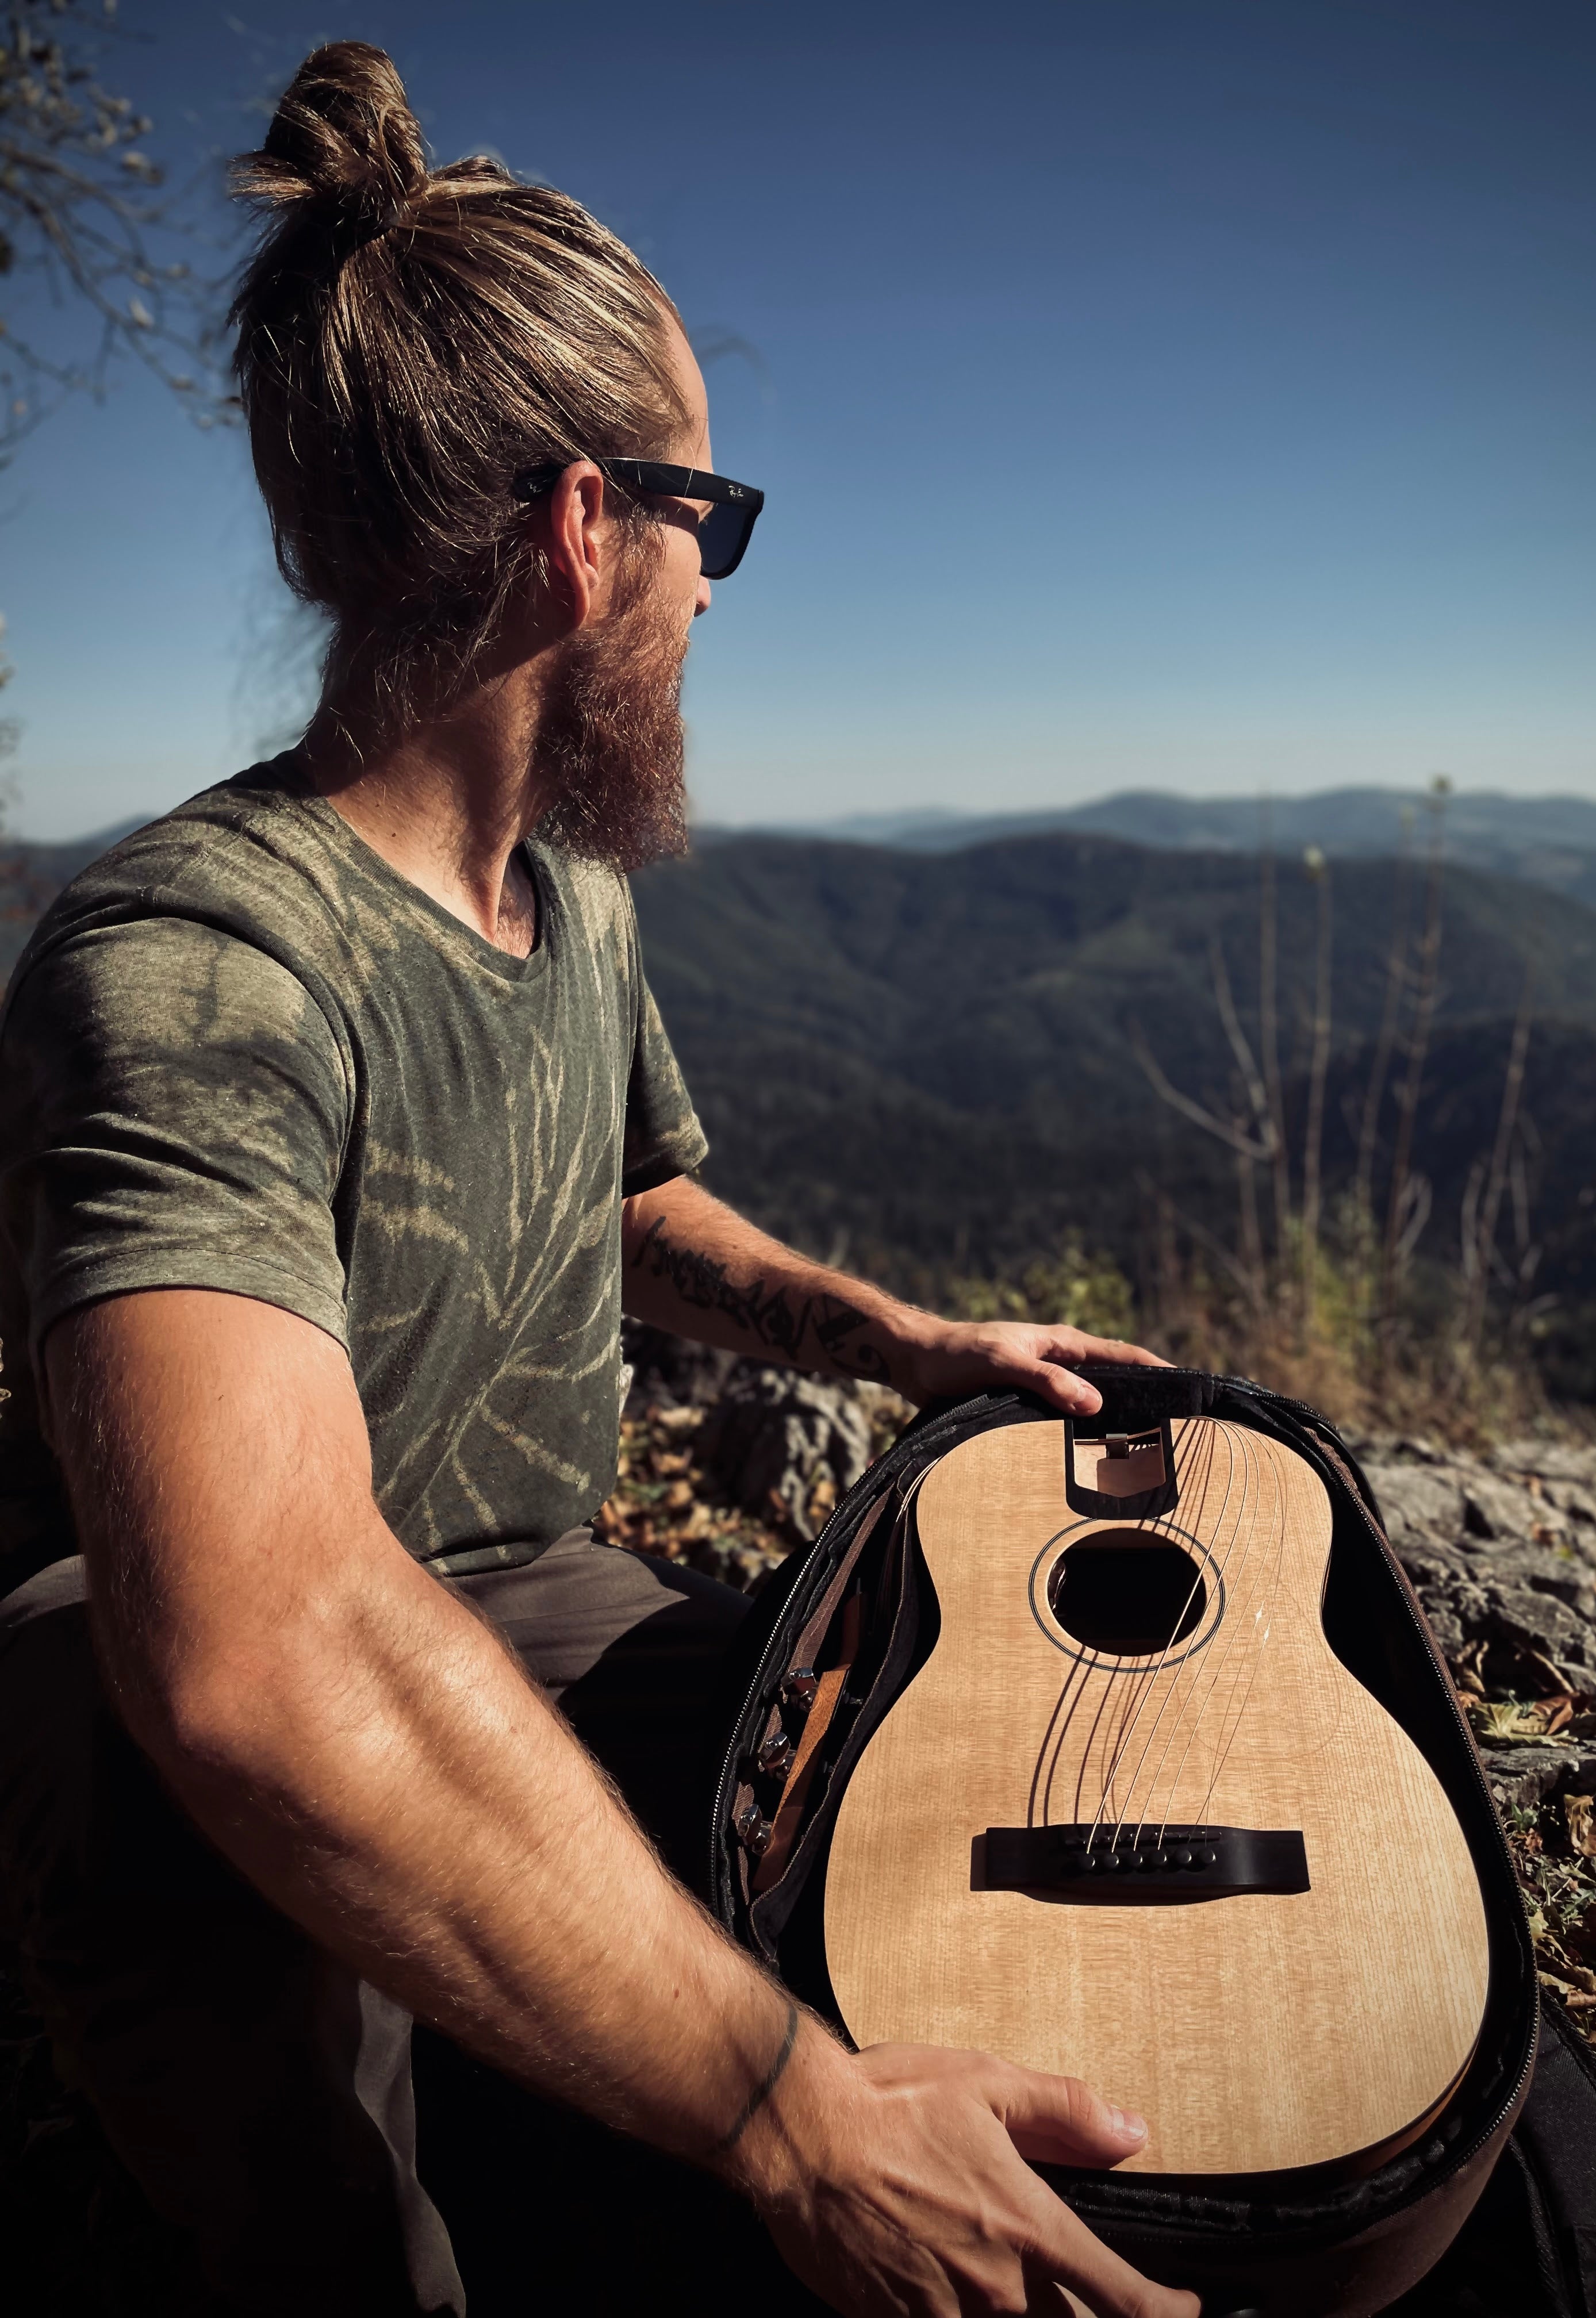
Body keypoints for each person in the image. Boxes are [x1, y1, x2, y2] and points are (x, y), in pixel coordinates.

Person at [0, 43, 1197, 2318]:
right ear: (584, 527)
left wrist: (903, 1340)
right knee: (389, 2250)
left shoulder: (567, 897)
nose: (720, 596)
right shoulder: (193, 964)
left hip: (521, 1588)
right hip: (181, 1702)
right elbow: (253, 1652)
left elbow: (623, 1200)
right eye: (710, 528)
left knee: (896, 1850)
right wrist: (781, 2116)